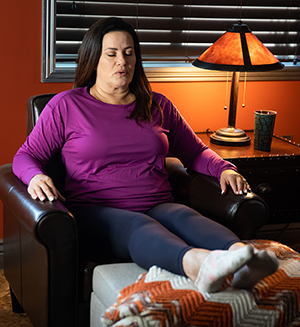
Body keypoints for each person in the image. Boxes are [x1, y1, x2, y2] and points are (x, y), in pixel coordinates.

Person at [12, 17, 278, 293]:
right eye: (111, 54)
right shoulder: (66, 106)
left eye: (129, 53)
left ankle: (244, 259)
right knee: (139, 224)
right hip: (95, 212)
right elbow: (26, 156)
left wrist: (224, 169)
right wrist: (35, 177)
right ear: (93, 60)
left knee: (185, 217)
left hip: (157, 203)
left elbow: (194, 151)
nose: (122, 62)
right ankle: (200, 266)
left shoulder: (157, 104)